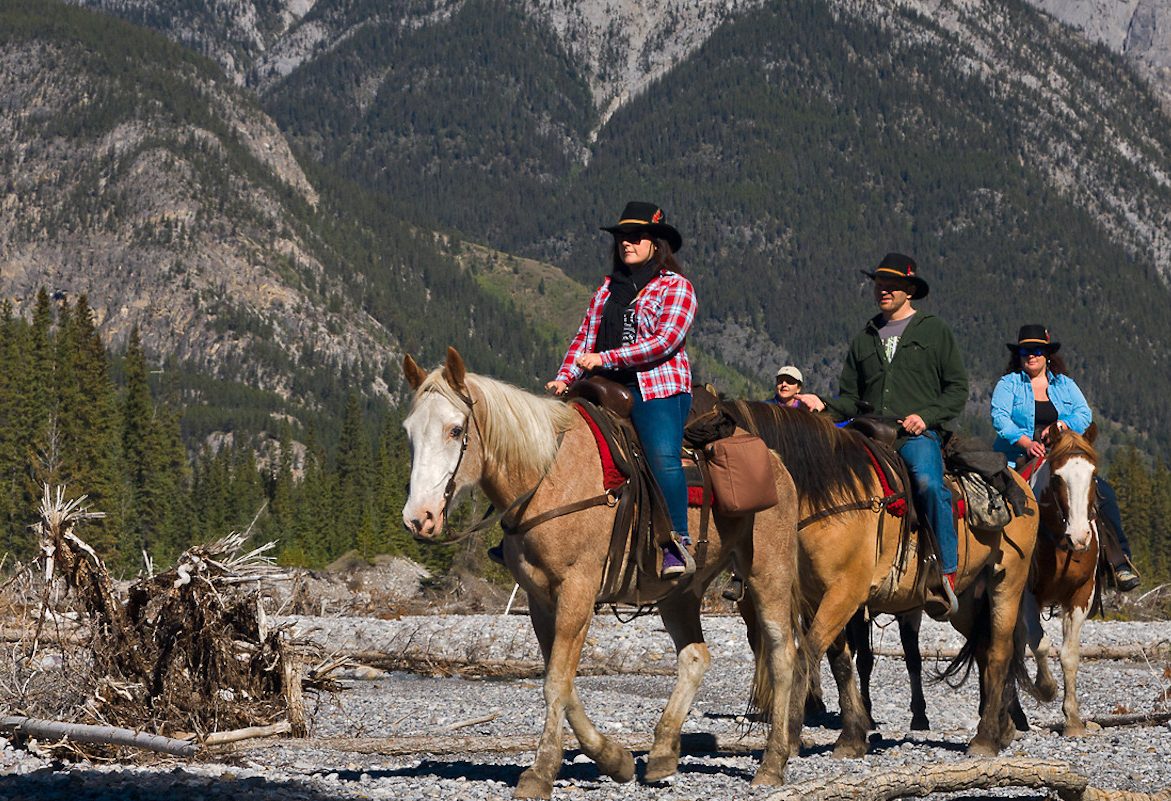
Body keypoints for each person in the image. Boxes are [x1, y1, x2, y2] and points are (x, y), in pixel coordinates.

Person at [796, 252, 968, 619]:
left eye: (891, 285)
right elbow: (849, 399)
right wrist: (820, 405)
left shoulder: (934, 331)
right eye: (878, 283)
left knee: (927, 484)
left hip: (913, 435)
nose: (883, 290)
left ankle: (943, 573)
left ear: (910, 289)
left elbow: (957, 389)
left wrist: (928, 417)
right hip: (869, 434)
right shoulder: (865, 337)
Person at [546, 201, 697, 579]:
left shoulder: (676, 287)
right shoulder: (607, 289)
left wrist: (607, 358)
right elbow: (585, 337)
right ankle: (531, 535)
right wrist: (565, 377)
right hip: (604, 384)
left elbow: (665, 342)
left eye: (635, 237)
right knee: (554, 445)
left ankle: (677, 542)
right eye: (621, 238)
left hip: (657, 387)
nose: (626, 244)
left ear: (656, 244)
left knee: (662, 458)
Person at [990, 325, 1140, 591]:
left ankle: (1119, 562)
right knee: (995, 502)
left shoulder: (1064, 385)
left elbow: (1084, 414)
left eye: (1038, 351)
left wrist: (1061, 425)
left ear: (1047, 354)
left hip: (1058, 457)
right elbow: (999, 417)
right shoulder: (1009, 384)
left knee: (1102, 493)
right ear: (1019, 354)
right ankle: (989, 565)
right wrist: (1025, 442)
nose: (1032, 356)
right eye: (1026, 351)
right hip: (1017, 458)